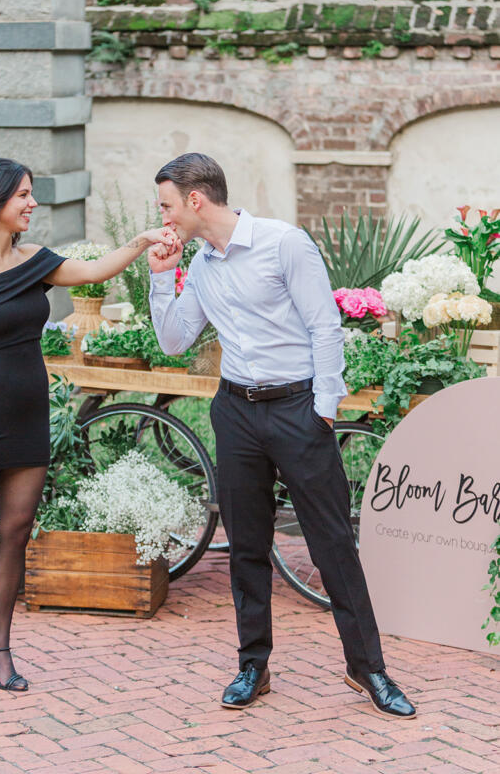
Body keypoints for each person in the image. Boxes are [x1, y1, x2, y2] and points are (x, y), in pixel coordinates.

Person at [0, 157, 176, 691]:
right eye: (23, 195)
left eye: (32, 194)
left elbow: (93, 272)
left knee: (15, 534)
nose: (32, 204)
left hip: (30, 416)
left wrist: (140, 241)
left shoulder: (35, 261)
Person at [147, 152, 415, 721]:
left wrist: (321, 411)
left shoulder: (283, 243)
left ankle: (368, 669)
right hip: (236, 413)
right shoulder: (199, 264)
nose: (163, 216)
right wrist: (156, 278)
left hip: (298, 409)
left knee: (332, 543)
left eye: (167, 205)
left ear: (196, 200)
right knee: (246, 545)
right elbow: (173, 341)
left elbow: (325, 324)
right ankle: (254, 665)